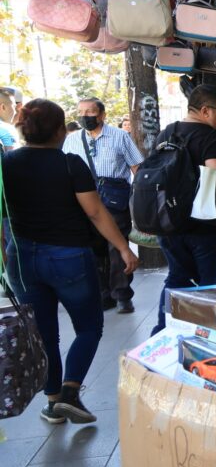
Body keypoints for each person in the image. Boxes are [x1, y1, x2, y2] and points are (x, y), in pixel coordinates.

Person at [2, 99, 139, 424]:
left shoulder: (7, 164)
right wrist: (123, 248)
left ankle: (53, 404)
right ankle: (69, 391)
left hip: (22, 259)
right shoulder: (70, 164)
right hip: (69, 258)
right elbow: (95, 212)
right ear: (61, 131)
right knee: (90, 326)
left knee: (45, 331)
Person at [149, 85, 216, 335]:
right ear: (205, 110)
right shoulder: (211, 137)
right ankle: (206, 340)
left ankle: (161, 335)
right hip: (205, 227)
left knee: (177, 279)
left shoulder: (167, 132)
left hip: (170, 223)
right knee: (213, 285)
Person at [62, 98, 144, 314]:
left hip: (114, 197)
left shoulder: (120, 136)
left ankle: (122, 295)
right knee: (93, 248)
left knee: (117, 246)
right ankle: (102, 294)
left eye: (90, 112)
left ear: (102, 115)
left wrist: (142, 198)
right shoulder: (71, 140)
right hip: (82, 198)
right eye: (81, 112)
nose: (85, 116)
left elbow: (137, 167)